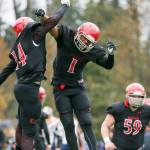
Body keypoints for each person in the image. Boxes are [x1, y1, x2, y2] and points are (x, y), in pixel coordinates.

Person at [35, 10, 117, 150]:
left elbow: (108, 65)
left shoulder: (93, 50)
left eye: (88, 41)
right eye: (83, 38)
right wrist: (43, 16)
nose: (84, 42)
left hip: (77, 88)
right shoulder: (67, 35)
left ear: (93, 43)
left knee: (86, 122)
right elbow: (51, 27)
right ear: (78, 33)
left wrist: (111, 55)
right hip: (61, 88)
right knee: (68, 124)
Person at [0, 1, 70, 150]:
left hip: (20, 88)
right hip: (30, 89)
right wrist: (64, 6)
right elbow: (52, 22)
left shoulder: (18, 46)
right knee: (30, 133)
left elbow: (7, 70)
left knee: (21, 126)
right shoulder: (33, 33)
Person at [101, 82, 150, 150]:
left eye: (139, 97)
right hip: (118, 148)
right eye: (134, 96)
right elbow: (105, 125)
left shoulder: (147, 110)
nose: (137, 99)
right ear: (127, 96)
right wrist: (107, 141)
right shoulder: (117, 108)